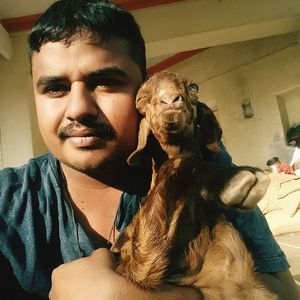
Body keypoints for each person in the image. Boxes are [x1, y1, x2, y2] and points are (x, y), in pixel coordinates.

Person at [0, 0, 299, 299]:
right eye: (55, 88)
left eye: (106, 82)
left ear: (142, 93)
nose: (78, 109)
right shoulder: (8, 201)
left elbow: (284, 291)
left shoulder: (202, 166)